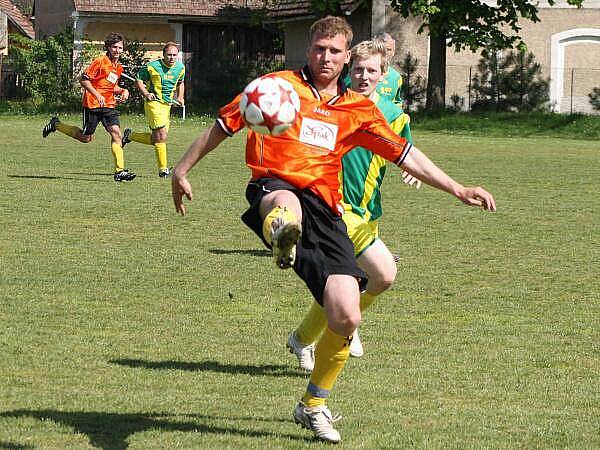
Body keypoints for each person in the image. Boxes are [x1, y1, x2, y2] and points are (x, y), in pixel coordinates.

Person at [171, 16, 496, 443]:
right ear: (310, 49)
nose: (326, 57)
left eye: (335, 51)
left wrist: (457, 188)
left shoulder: (357, 110)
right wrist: (181, 168)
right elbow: (222, 125)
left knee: (347, 314)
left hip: (328, 209)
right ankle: (283, 230)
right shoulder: (277, 87)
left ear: (346, 57)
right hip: (276, 184)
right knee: (284, 204)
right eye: (320, 49)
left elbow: (405, 155)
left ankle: (313, 404)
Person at [287, 39, 419, 372]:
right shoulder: (331, 107)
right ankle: (343, 327)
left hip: (367, 212)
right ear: (349, 69)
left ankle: (304, 338)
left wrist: (412, 172)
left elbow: (405, 151)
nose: (363, 76)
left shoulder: (395, 116)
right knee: (368, 276)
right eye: (358, 69)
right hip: (334, 209)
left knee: (377, 278)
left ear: (383, 74)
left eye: (371, 70)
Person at [42, 33, 136, 182]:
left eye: (120, 47)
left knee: (116, 133)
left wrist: (124, 91)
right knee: (86, 138)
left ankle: (120, 171)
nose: (117, 50)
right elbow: (84, 80)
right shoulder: (100, 61)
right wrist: (97, 94)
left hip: (109, 105)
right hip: (92, 104)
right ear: (108, 48)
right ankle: (57, 125)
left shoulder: (118, 67)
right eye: (114, 47)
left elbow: (111, 86)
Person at [122, 42, 185, 178]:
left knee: (157, 139)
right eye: (169, 55)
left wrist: (180, 97)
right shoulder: (152, 67)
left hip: (167, 106)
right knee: (161, 137)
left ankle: (130, 136)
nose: (172, 57)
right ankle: (163, 170)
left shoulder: (180, 68)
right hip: (153, 104)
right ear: (163, 55)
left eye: (174, 55)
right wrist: (146, 93)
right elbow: (138, 79)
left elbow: (181, 82)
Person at [373, 32, 404, 106]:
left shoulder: (396, 77)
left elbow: (397, 103)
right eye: (381, 49)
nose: (385, 53)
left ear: (393, 52)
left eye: (389, 49)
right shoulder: (360, 73)